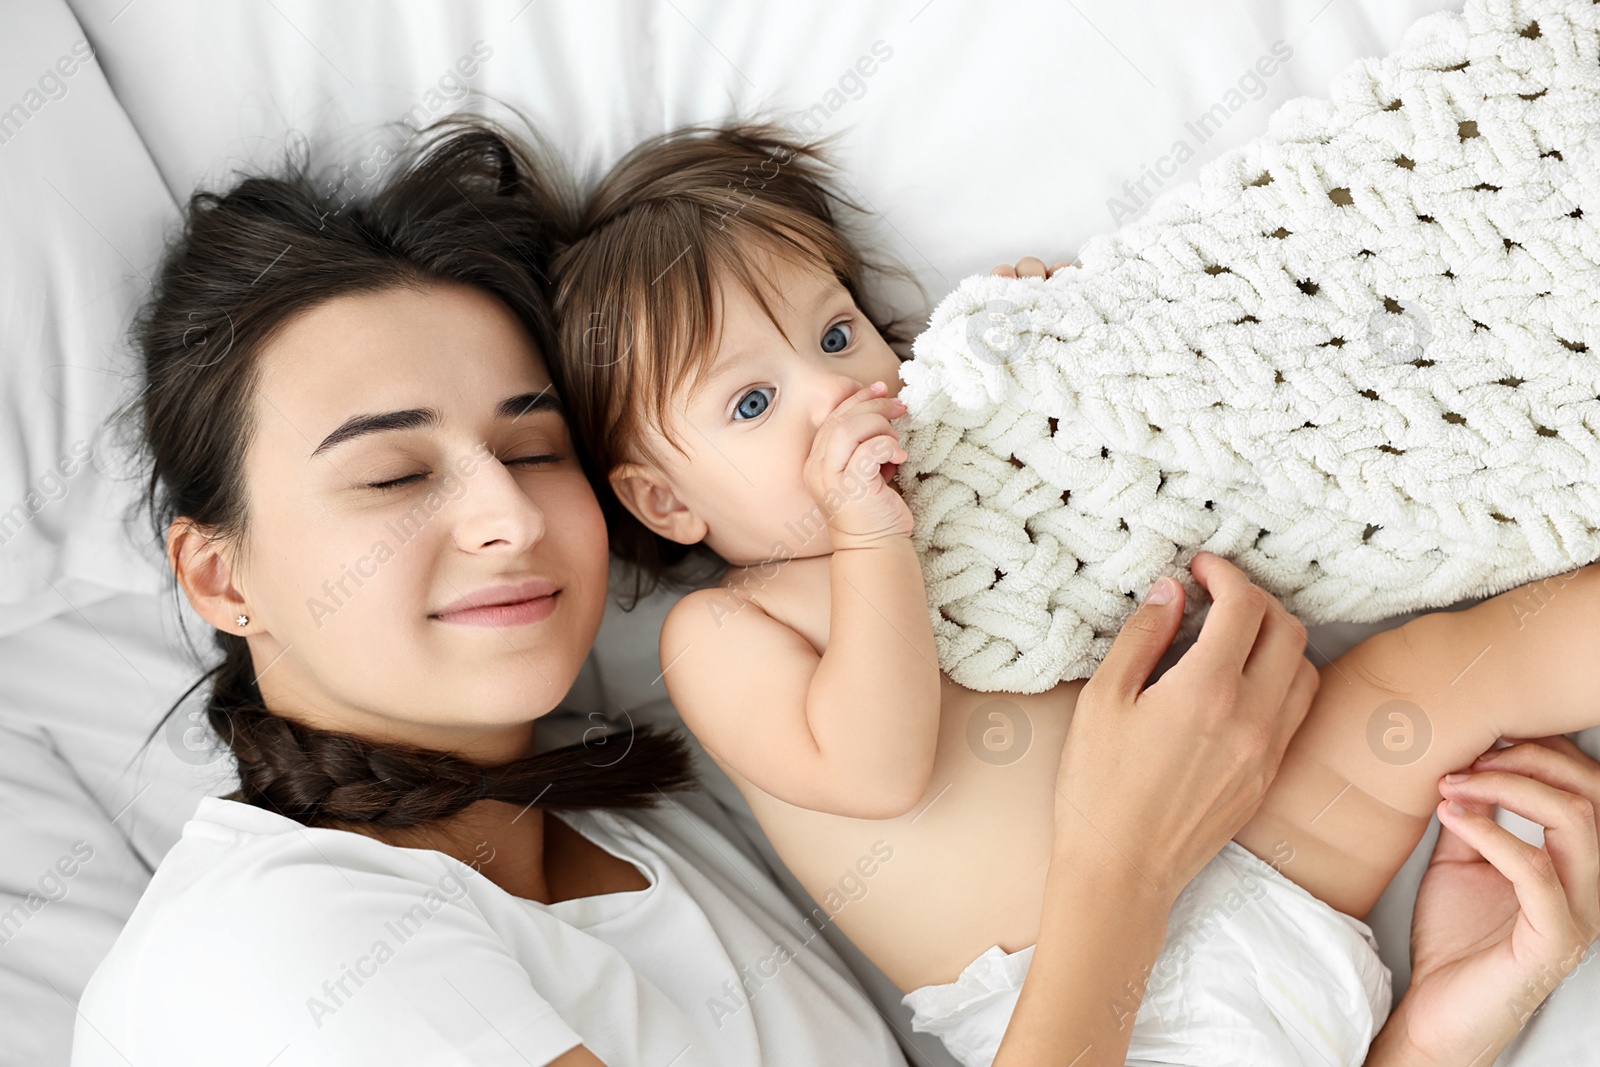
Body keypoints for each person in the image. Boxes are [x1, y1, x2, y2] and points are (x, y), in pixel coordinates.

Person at [65, 113, 1595, 1067]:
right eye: (393, 475)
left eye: (536, 449)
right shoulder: (279, 972)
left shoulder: (628, 826)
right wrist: (1122, 864)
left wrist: (1426, 1036)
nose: (502, 521)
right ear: (217, 568)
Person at [549, 122, 1600, 1066]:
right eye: (751, 400)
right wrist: (866, 532)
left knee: (1421, 677)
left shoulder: (958, 499)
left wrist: (1049, 373)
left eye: (835, 335)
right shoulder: (726, 629)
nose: (833, 392)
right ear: (663, 499)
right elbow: (876, 764)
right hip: (1108, 1018)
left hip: (1261, 862)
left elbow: (1127, 496)